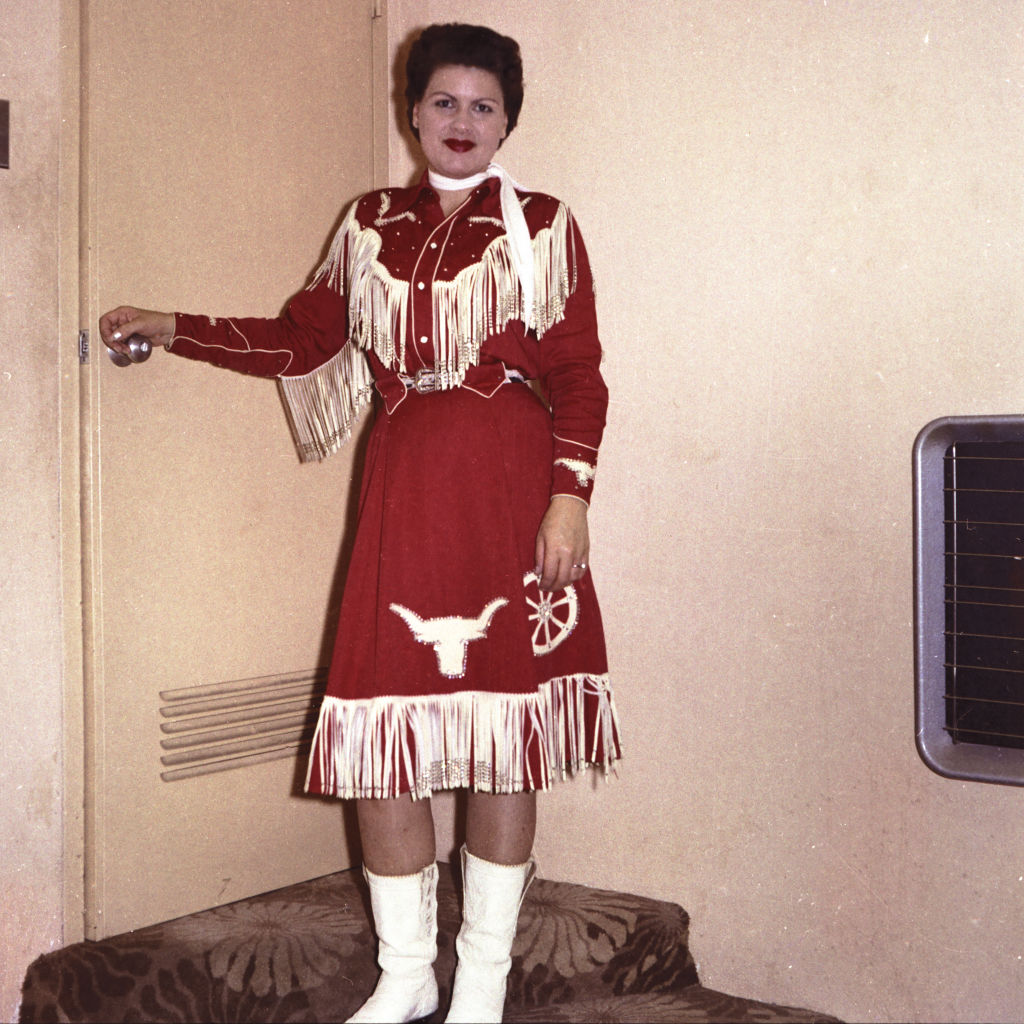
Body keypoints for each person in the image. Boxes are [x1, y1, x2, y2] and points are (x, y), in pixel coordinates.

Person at [100, 23, 621, 1024]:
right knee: (383, 738)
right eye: (443, 102)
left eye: (483, 106)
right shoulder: (368, 222)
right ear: (411, 111)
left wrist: (571, 497)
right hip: (403, 496)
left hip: (510, 498)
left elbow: (578, 374)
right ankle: (405, 974)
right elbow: (302, 342)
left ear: (507, 121)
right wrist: (176, 328)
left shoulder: (545, 225)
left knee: (502, 740)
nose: (461, 121)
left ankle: (481, 981)